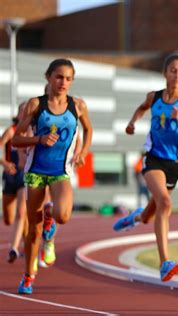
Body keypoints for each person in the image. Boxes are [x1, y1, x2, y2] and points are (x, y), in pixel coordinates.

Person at [113, 54, 178, 282]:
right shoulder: (154, 97)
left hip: (175, 164)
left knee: (150, 215)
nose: (176, 75)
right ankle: (164, 263)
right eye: (173, 70)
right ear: (165, 73)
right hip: (153, 158)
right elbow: (141, 108)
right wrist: (131, 123)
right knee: (165, 204)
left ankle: (135, 218)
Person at [12, 58, 93, 294]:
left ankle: (51, 219)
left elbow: (88, 129)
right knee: (33, 229)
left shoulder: (77, 105)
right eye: (59, 77)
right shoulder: (35, 105)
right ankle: (28, 277)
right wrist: (38, 139)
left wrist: (83, 151)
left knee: (63, 215)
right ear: (48, 77)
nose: (63, 82)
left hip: (61, 171)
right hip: (36, 171)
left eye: (68, 78)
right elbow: (16, 139)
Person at [0, 115, 27, 264]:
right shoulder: (11, 131)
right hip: (10, 175)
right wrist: (4, 163)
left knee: (21, 213)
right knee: (8, 219)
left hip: (24, 175)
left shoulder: (32, 132)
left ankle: (15, 248)